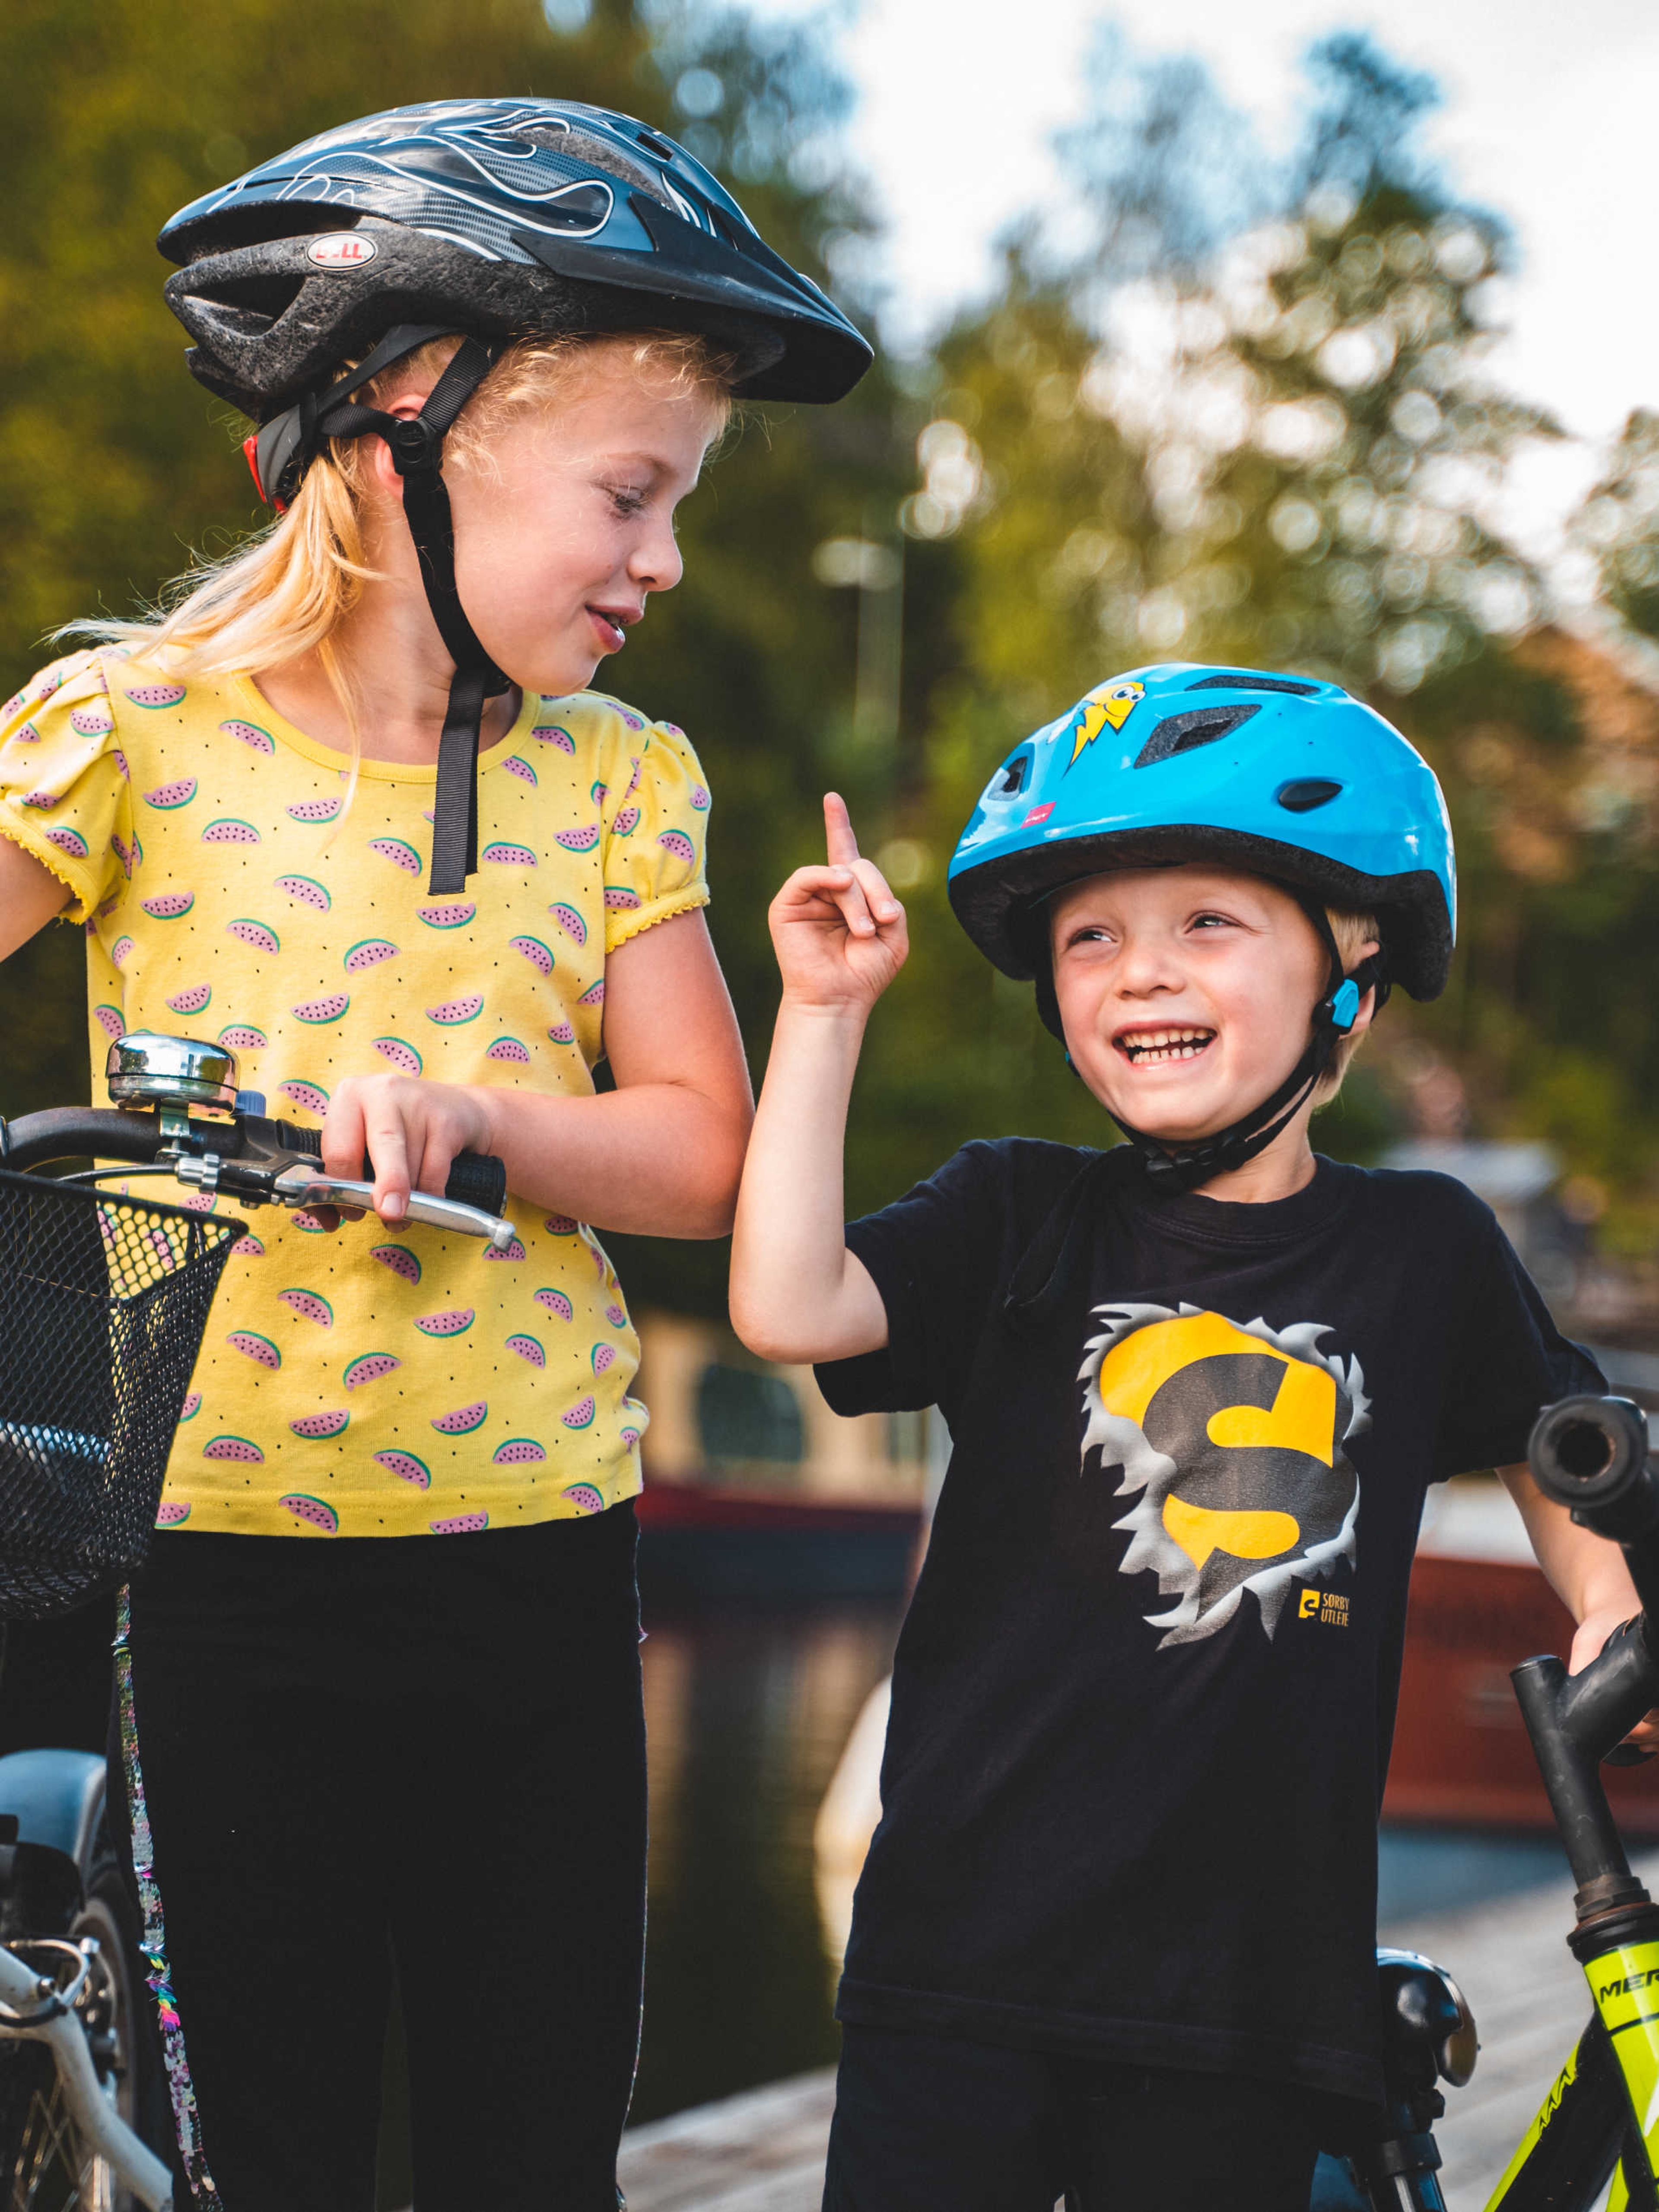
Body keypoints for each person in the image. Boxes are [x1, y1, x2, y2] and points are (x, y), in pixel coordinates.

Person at [0, 98, 868, 2212]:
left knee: (529, 2146)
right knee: (263, 2149)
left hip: (538, 1572)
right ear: (402, 438)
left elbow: (698, 1153)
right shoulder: (134, 730)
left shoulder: (618, 780)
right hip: (211, 1566)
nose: (663, 560)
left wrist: (484, 1118)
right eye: (629, 496)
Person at [729, 664, 1648, 2212]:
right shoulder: (1014, 1211)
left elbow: (1559, 1447)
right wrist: (822, 1016)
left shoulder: (1425, 1251)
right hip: (963, 1976)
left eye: (1205, 924)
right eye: (1094, 936)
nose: (1140, 973)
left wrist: (1615, 1607)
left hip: (1247, 2004)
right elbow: (788, 1304)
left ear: (1349, 965)